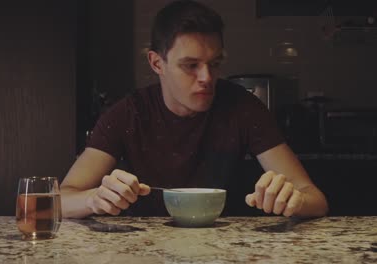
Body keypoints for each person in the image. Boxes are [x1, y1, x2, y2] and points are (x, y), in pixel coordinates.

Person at [60, 0, 328, 219]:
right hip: (145, 248)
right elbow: (60, 199)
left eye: (214, 63)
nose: (207, 78)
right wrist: (93, 199)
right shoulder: (129, 113)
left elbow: (315, 199)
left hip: (224, 246)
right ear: (156, 63)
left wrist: (293, 200)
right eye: (190, 65)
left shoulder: (242, 107)